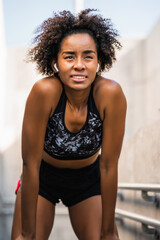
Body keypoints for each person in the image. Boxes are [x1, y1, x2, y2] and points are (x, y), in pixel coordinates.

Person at [11, 8, 127, 240]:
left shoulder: (110, 94)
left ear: (98, 61)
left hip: (87, 179)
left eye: (88, 56)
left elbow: (108, 166)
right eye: (69, 56)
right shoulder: (44, 92)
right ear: (55, 63)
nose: (79, 65)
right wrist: (26, 233)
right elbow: (30, 164)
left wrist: (107, 232)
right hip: (42, 177)